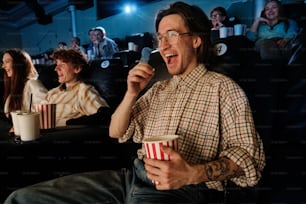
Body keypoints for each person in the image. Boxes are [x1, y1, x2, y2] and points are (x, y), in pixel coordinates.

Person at [4, 2, 265, 203]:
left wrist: (191, 174)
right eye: (160, 38)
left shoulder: (223, 88)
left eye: (171, 34)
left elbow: (248, 156)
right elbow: (115, 131)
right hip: (131, 177)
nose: (163, 45)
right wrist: (131, 93)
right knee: (21, 198)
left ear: (196, 40)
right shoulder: (157, 89)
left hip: (181, 189)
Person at [41, 48, 109, 126]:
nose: (56, 69)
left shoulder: (84, 91)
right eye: (57, 64)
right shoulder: (52, 93)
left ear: (77, 68)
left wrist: (70, 123)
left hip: (60, 136)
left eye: (62, 65)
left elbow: (104, 115)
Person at [1, 48, 48, 133]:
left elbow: (47, 111)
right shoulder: (14, 89)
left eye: (7, 62)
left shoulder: (33, 84)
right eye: (3, 62)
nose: (3, 66)